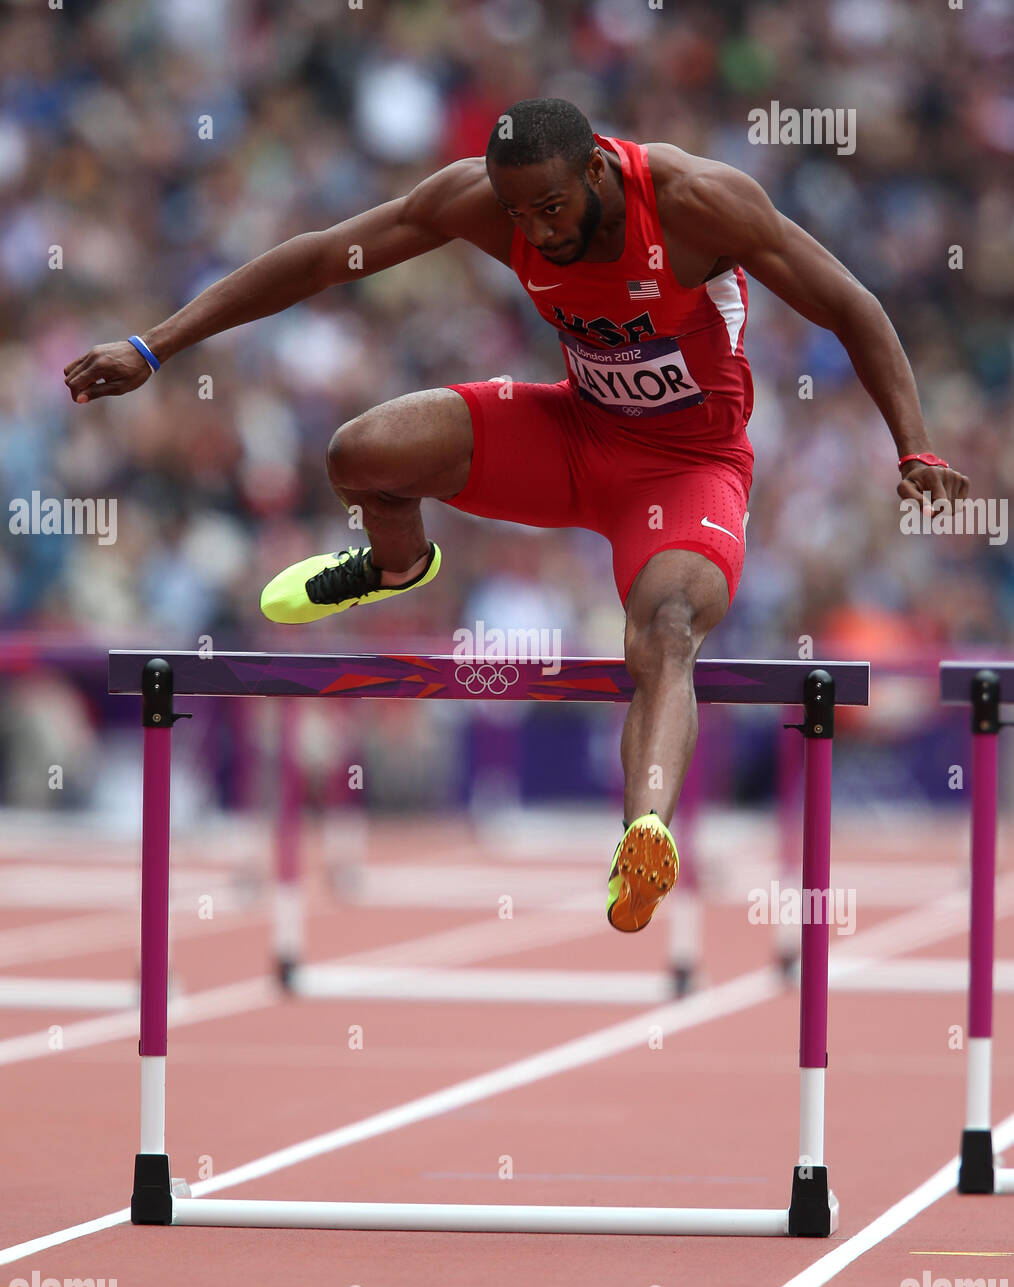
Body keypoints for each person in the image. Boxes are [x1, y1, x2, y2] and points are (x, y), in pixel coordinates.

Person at [64, 97, 969, 935]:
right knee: (359, 453)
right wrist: (157, 343)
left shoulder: (699, 202)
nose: (532, 230)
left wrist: (915, 446)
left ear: (600, 176)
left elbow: (852, 304)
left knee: (668, 625)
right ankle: (393, 564)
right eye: (517, 213)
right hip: (572, 433)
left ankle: (643, 833)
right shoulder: (484, 202)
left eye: (549, 210)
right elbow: (317, 256)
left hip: (687, 467)